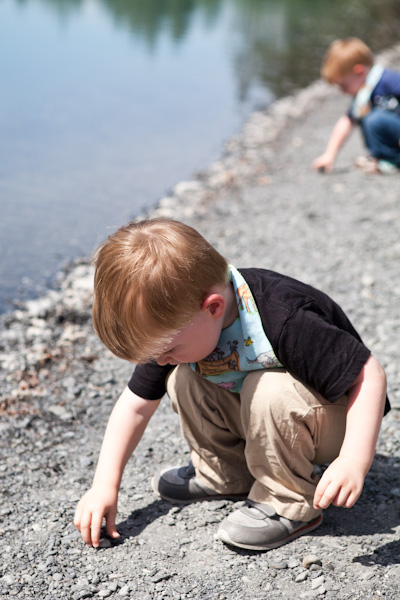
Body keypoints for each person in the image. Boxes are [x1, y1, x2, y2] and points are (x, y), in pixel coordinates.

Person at [74, 218, 388, 551]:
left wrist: (354, 460)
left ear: (213, 308)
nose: (160, 359)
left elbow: (369, 375)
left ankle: (288, 500)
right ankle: (226, 474)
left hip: (337, 421)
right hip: (269, 414)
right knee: (181, 377)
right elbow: (135, 405)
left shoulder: (283, 315)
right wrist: (104, 485)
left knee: (266, 387)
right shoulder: (180, 324)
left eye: (167, 349)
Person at [312, 37, 400, 174]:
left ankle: (390, 160)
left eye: (343, 85)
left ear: (359, 71)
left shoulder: (388, 80)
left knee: (375, 119)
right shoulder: (363, 94)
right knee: (367, 117)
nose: (342, 91)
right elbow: (347, 121)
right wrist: (329, 154)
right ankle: (381, 158)